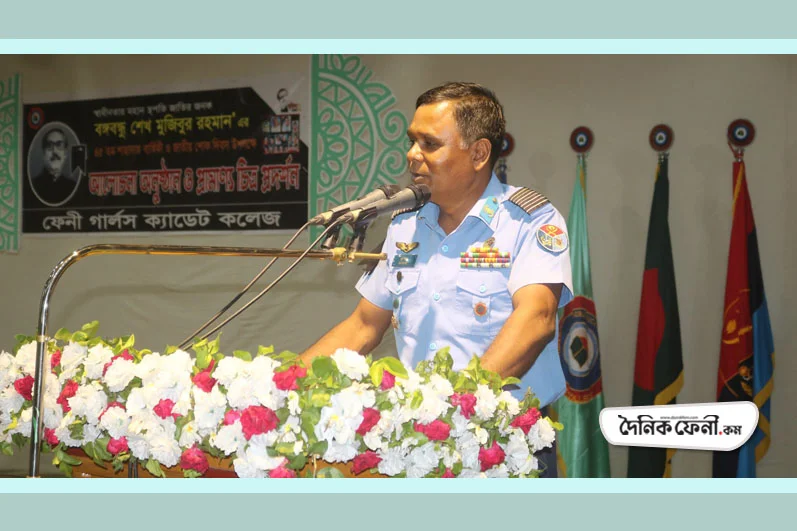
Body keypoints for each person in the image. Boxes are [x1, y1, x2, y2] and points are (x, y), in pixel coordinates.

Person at [299, 82, 573, 476]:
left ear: (478, 154)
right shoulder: (405, 225)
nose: (413, 155)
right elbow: (363, 326)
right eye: (412, 141)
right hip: (420, 444)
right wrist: (284, 384)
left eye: (429, 143)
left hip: (504, 444)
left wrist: (455, 410)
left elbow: (536, 319)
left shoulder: (529, 220)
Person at [30, 127, 76, 205]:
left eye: (59, 145)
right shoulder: (33, 185)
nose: (54, 151)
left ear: (65, 153)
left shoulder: (72, 187)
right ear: (43, 154)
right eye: (49, 146)